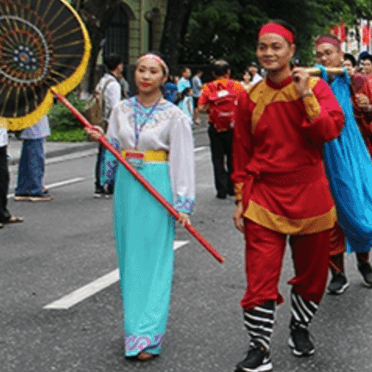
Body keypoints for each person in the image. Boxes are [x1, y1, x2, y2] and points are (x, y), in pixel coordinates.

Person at [232, 21, 345, 372]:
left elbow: (328, 131)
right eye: (263, 46)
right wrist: (240, 199)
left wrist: (306, 95)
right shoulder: (250, 97)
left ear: (292, 51)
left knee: (312, 278)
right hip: (264, 195)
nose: (268, 53)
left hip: (311, 194)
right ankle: (259, 348)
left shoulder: (315, 88)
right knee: (260, 277)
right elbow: (241, 152)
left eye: (276, 47)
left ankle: (300, 326)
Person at [83, 53, 195, 360]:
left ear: (163, 77)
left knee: (156, 260)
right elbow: (115, 146)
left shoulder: (174, 116)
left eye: (153, 71)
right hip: (128, 186)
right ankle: (134, 330)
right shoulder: (121, 109)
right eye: (142, 70)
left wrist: (182, 202)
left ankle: (149, 334)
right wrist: (102, 139)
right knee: (130, 259)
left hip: (158, 183)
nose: (146, 76)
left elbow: (183, 161)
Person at [313, 35, 372, 295]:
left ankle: (364, 261)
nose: (323, 58)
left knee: (360, 211)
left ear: (340, 53)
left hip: (356, 158)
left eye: (328, 53)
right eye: (319, 54)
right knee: (330, 218)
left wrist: (367, 110)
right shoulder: (310, 84)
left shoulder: (357, 83)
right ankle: (337, 272)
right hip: (322, 160)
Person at [198, 60, 247, 200]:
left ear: (213, 73)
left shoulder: (208, 88)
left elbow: (201, 108)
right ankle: (232, 187)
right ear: (228, 72)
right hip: (233, 127)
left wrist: (212, 110)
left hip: (215, 127)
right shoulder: (237, 86)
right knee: (233, 158)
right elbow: (245, 106)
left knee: (217, 159)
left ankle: (221, 190)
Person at [94, 54, 125, 197]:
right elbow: (115, 107)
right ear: (118, 66)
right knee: (112, 154)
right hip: (111, 123)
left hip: (102, 121)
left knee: (102, 153)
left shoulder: (103, 81)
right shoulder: (114, 85)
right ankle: (109, 185)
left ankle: (99, 185)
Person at [13, 115, 52, 201]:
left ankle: (24, 189)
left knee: (27, 160)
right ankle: (34, 190)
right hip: (34, 129)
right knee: (35, 161)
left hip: (32, 130)